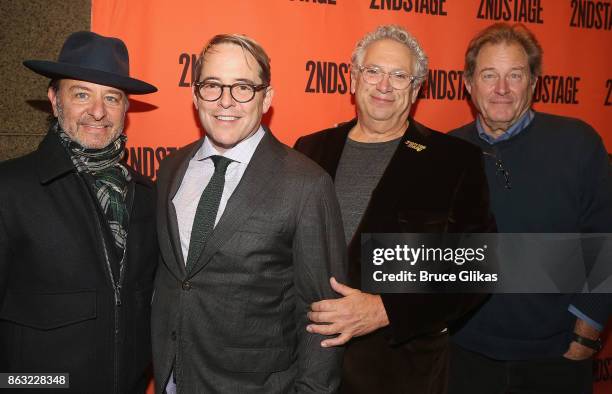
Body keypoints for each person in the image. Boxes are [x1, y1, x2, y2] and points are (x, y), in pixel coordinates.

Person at [294, 25, 494, 394]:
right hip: (305, 366)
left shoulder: (452, 160)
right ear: (353, 78)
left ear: (416, 89)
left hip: (398, 374)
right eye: (373, 71)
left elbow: (479, 265)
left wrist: (387, 309)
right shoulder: (309, 150)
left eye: (399, 75)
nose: (384, 85)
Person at [151, 34, 347, 394]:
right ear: (195, 94)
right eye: (212, 85)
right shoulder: (171, 169)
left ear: (266, 97)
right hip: (173, 380)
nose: (226, 101)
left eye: (243, 87)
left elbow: (323, 313)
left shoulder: (306, 184)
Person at [448, 23, 612, 394]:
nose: (502, 89)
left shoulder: (579, 143)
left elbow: (605, 241)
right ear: (469, 84)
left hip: (555, 358)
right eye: (489, 75)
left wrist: (586, 334)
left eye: (515, 75)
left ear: (534, 83)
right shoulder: (449, 152)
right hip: (466, 357)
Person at [0, 31, 158, 393]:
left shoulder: (147, 196)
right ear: (55, 100)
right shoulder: (9, 190)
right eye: (82, 94)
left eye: (112, 97)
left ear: (126, 108)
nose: (98, 112)